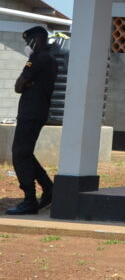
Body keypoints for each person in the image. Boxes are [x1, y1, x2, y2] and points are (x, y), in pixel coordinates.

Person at [6, 25, 57, 215]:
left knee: (19, 154)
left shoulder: (38, 58)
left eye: (28, 41)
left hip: (31, 112)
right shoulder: (50, 59)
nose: (27, 45)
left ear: (37, 39)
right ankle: (49, 188)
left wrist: (26, 82)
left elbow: (18, 86)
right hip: (37, 112)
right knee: (24, 152)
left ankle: (29, 200)